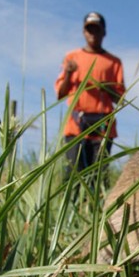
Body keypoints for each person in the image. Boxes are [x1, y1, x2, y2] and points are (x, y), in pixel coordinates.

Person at [54, 12, 126, 178]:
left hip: (103, 126)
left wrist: (105, 88)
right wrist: (68, 74)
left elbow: (120, 98)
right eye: (89, 30)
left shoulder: (113, 62)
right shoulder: (72, 58)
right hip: (75, 125)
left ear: (104, 32)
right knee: (72, 176)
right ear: (84, 32)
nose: (93, 34)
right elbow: (61, 94)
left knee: (98, 176)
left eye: (97, 30)